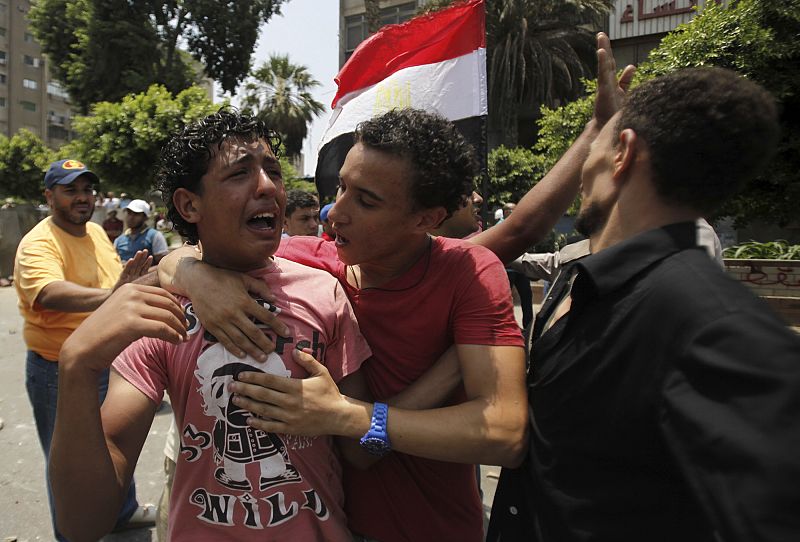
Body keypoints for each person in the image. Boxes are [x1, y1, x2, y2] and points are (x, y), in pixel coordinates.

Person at [158, 32, 636, 542]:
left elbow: (504, 432)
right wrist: (191, 274)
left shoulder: (468, 274)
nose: (334, 212)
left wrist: (351, 416)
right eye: (340, 187)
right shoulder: (311, 264)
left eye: (366, 201)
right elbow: (190, 251)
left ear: (426, 217)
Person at [487, 67, 800, 541]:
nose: (583, 167)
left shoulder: (709, 324)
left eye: (592, 146)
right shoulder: (591, 283)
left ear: (623, 154)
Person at [48, 110, 374, 541]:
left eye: (273, 171)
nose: (268, 187)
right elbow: (82, 523)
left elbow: (363, 454)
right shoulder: (160, 312)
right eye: (240, 173)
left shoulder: (322, 291)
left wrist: (337, 414)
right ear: (189, 204)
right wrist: (76, 367)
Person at [13, 158, 155, 541]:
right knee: (70, 463)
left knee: (112, 447)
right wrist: (113, 296)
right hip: (59, 370)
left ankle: (121, 514)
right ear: (49, 195)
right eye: (70, 189)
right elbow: (48, 292)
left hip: (108, 362)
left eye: (87, 190)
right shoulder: (39, 242)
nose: (82, 197)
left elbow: (116, 278)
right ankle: (73, 534)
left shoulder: (94, 233)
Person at [501, 202, 534, 329]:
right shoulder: (500, 228)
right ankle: (506, 327)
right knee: (505, 300)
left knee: (526, 296)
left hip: (521, 269)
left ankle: (528, 327)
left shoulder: (520, 226)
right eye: (512, 210)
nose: (516, 212)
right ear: (505, 212)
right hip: (507, 269)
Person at [114, 199, 170, 264]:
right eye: (129, 213)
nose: (131, 217)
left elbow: (163, 265)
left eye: (136, 214)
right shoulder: (118, 240)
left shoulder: (155, 236)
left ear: (145, 217)